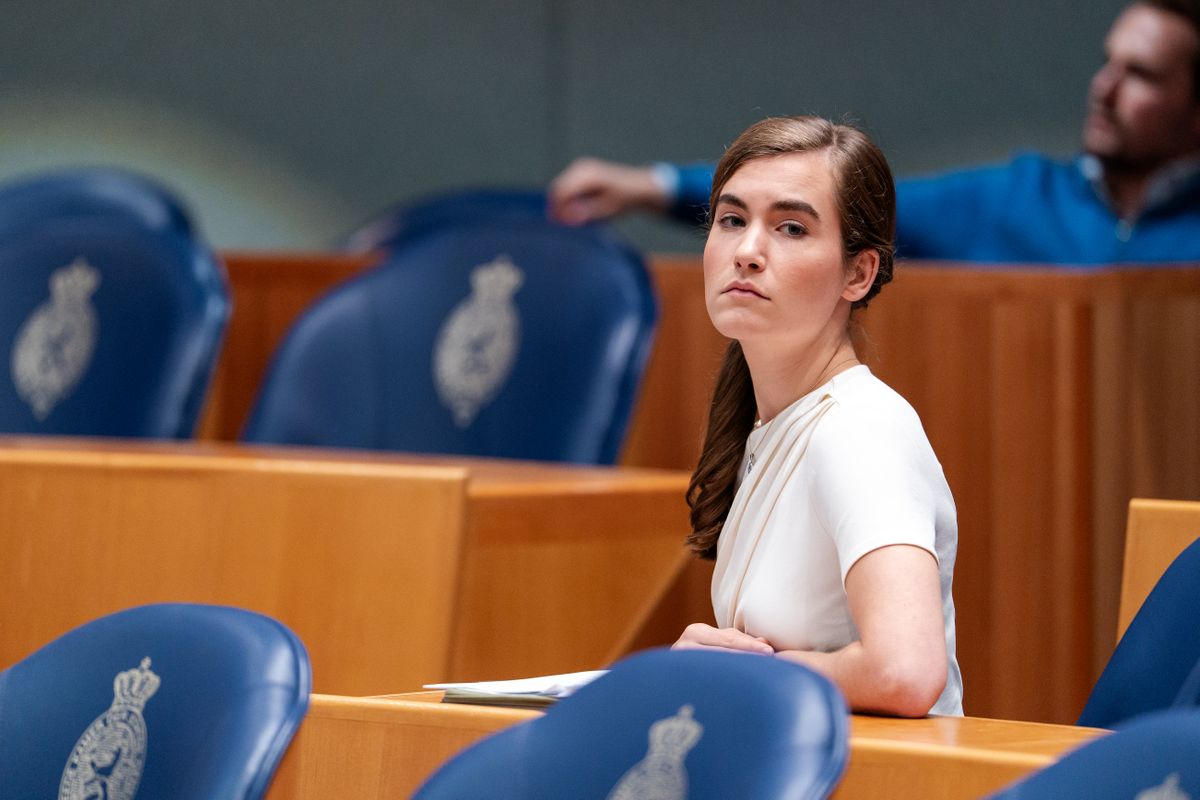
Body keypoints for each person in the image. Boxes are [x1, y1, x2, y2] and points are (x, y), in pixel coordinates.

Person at [669, 115, 962, 717]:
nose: (747, 252)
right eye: (731, 220)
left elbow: (905, 672)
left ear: (859, 273)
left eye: (791, 228)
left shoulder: (861, 429)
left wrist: (731, 674)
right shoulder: (769, 427)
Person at [550, 0, 1200, 264]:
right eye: (1107, 62)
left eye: (1140, 75)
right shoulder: (1020, 198)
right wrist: (653, 188)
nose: (1104, 87)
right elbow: (832, 197)